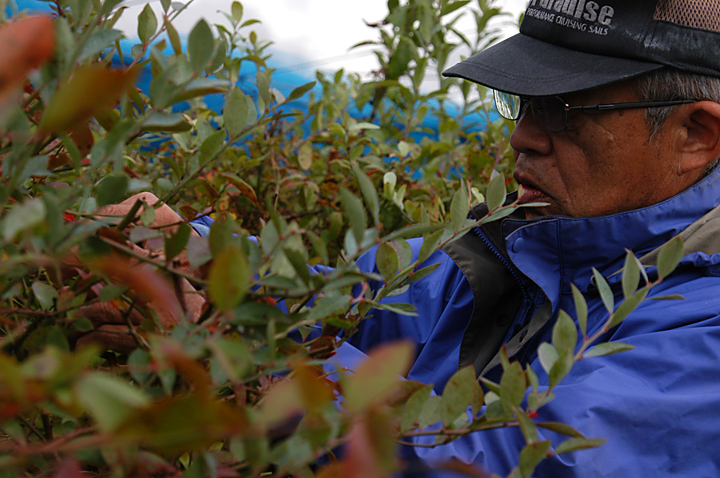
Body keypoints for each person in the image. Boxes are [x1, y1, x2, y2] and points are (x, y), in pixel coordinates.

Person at [84, 0, 720, 475]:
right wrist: (186, 257)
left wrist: (232, 345)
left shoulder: (704, 333)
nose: (522, 137)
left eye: (563, 109)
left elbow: (503, 460)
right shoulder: (503, 247)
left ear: (697, 135)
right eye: (520, 102)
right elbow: (330, 308)